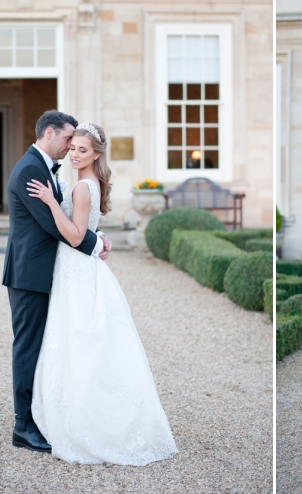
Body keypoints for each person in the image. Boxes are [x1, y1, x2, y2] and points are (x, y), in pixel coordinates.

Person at [26, 122, 178, 465]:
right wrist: (101, 236)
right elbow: (91, 227)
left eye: (83, 150)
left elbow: (77, 236)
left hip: (76, 268)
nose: (75, 155)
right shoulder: (90, 183)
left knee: (79, 340)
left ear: (96, 153)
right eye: (73, 148)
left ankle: (88, 421)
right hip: (81, 269)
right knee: (87, 340)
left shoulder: (81, 187)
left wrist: (51, 202)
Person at [2, 110, 112, 454]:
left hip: (44, 270)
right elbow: (53, 226)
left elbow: (66, 218)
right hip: (29, 273)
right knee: (28, 347)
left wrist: (96, 233)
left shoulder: (43, 168)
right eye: (68, 140)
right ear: (49, 133)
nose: (70, 148)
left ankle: (43, 414)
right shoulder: (31, 170)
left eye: (78, 144)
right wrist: (94, 243)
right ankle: (23, 426)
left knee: (50, 345)